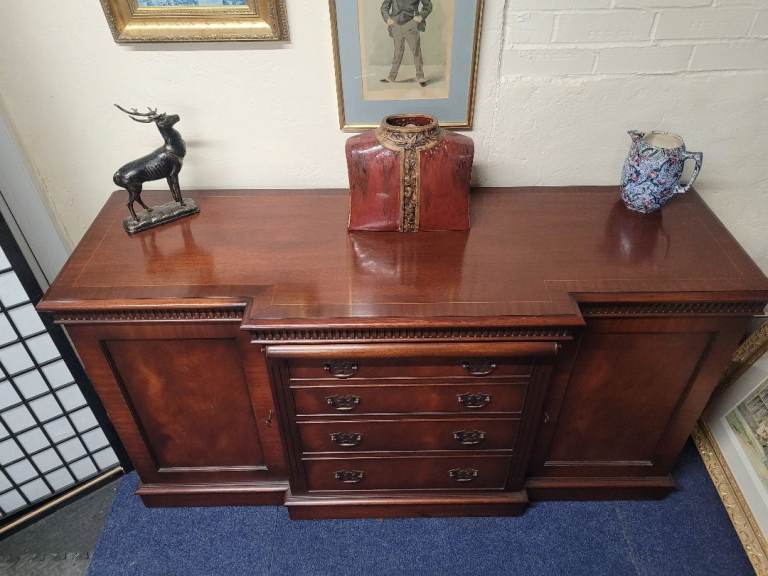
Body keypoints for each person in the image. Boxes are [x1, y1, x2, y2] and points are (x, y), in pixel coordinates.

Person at [380, 0, 433, 87]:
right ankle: (391, 77)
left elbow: (428, 5)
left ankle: (420, 76)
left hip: (411, 24)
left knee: (416, 51)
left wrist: (421, 16)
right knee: (397, 52)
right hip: (395, 25)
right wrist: (387, 18)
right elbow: (384, 7)